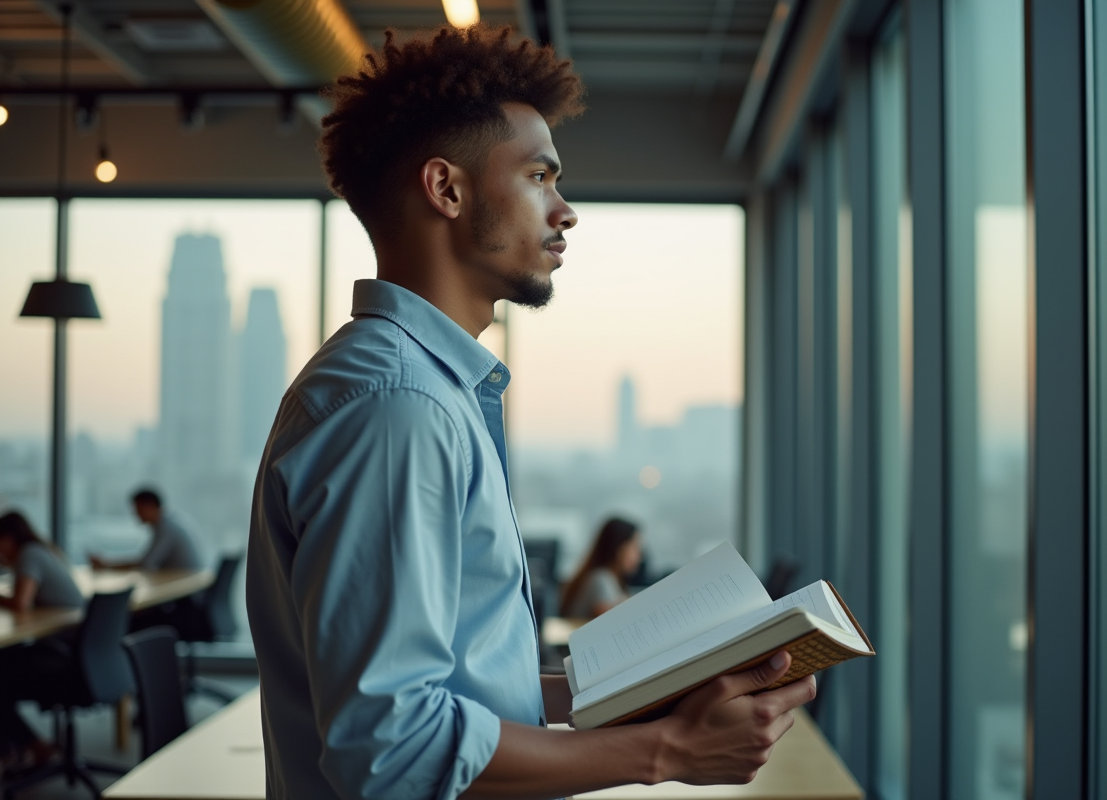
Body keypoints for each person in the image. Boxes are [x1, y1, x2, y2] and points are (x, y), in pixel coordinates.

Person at [245, 24, 817, 800]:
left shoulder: (425, 392)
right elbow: (392, 751)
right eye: (541, 177)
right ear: (446, 190)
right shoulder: (396, 409)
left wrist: (645, 699)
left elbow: (453, 684)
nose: (565, 210)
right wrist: (665, 754)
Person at [0, 511, 82, 773]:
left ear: (8, 538)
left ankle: (28, 746)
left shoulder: (29, 554)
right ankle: (19, 747)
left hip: (61, 653)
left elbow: (21, 602)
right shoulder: (41, 551)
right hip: (77, 650)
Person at [90, 488, 203, 572]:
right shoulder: (171, 520)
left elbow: (146, 563)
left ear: (150, 506)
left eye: (138, 509)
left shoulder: (167, 528)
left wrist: (106, 565)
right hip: (188, 584)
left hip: (186, 594)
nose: (136, 514)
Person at [560, 517, 641, 619]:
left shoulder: (610, 579)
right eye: (634, 547)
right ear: (618, 548)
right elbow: (612, 620)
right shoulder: (600, 579)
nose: (638, 556)